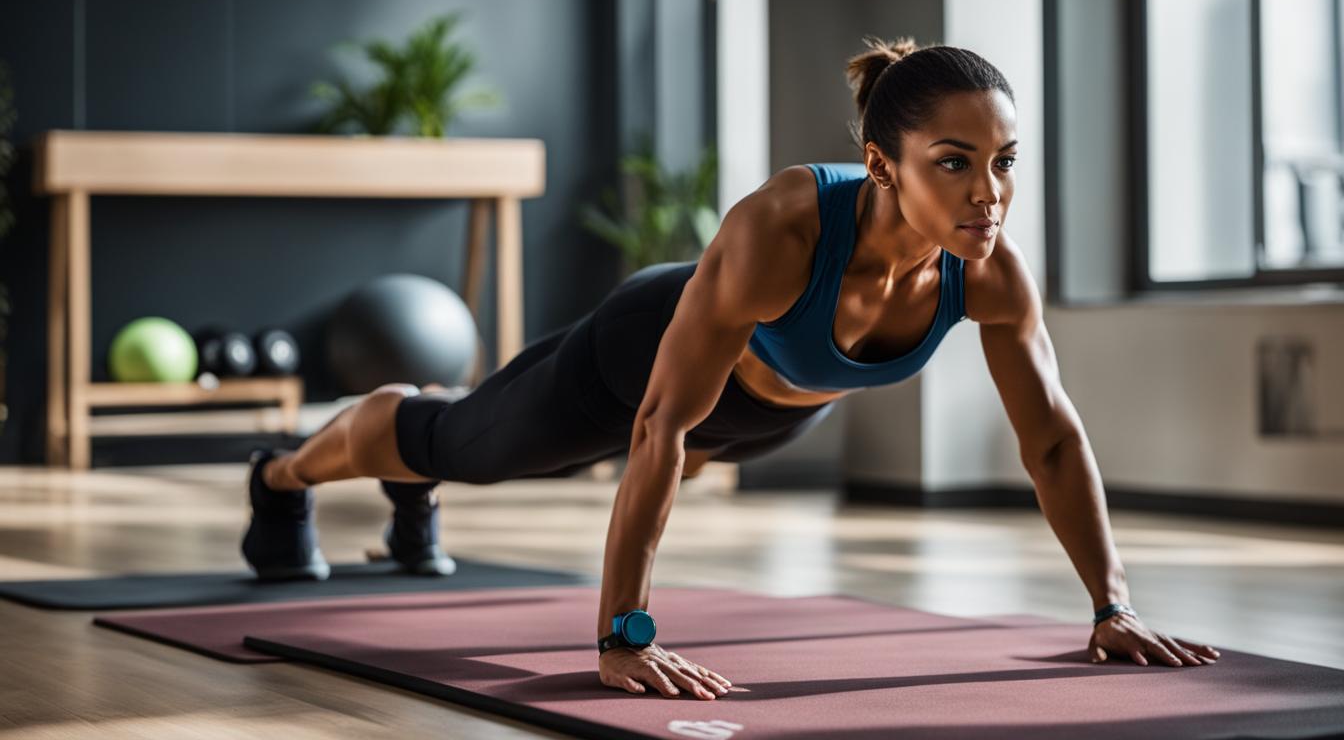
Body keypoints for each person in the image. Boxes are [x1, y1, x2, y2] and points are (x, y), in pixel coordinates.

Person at [240, 37, 1222, 701]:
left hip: (778, 407)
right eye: (955, 162)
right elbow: (662, 426)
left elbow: (1049, 436)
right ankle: (285, 479)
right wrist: (624, 633)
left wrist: (1113, 606)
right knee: (464, 444)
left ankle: (411, 496)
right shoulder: (783, 228)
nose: (990, 194)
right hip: (643, 358)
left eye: (1006, 160)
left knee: (692, 444)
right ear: (883, 166)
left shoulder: (993, 274)